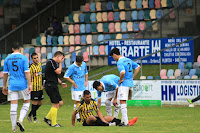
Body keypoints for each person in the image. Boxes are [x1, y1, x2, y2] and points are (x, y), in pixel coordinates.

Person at [2, 42, 32, 132]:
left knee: (13, 106)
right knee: (26, 102)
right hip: (23, 84)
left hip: (12, 85)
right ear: (20, 48)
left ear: (12, 49)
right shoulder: (23, 58)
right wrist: (30, 84)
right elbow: (27, 72)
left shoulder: (7, 58)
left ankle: (13, 128)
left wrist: (4, 86)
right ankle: (21, 119)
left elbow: (5, 74)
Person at [109, 48, 140, 126]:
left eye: (113, 57)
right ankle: (123, 121)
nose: (114, 59)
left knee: (122, 103)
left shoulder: (120, 62)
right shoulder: (128, 60)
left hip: (124, 84)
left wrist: (120, 80)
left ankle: (125, 123)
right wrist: (132, 77)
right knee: (123, 102)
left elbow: (122, 72)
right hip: (130, 84)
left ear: (114, 55)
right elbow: (138, 67)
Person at [43, 51, 67, 127]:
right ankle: (54, 123)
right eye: (61, 58)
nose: (62, 60)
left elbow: (54, 76)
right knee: (55, 104)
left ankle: (47, 118)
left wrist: (61, 83)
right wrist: (60, 63)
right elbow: (59, 72)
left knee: (60, 103)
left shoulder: (53, 63)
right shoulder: (51, 62)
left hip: (53, 85)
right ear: (57, 56)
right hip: (50, 85)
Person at [64, 56, 88, 122]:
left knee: (85, 101)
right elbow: (65, 76)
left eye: (81, 63)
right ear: (76, 62)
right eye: (79, 63)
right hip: (76, 88)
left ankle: (84, 115)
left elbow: (86, 73)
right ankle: (78, 117)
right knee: (77, 102)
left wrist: (86, 81)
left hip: (83, 86)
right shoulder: (72, 67)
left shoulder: (84, 64)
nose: (80, 64)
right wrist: (72, 82)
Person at [27, 53, 43, 123]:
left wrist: (42, 84)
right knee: (35, 102)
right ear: (32, 59)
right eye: (34, 58)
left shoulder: (40, 64)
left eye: (37, 58)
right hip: (34, 87)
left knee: (40, 102)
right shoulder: (30, 67)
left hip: (40, 87)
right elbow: (28, 77)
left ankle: (29, 114)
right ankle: (34, 118)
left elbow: (40, 75)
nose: (36, 59)